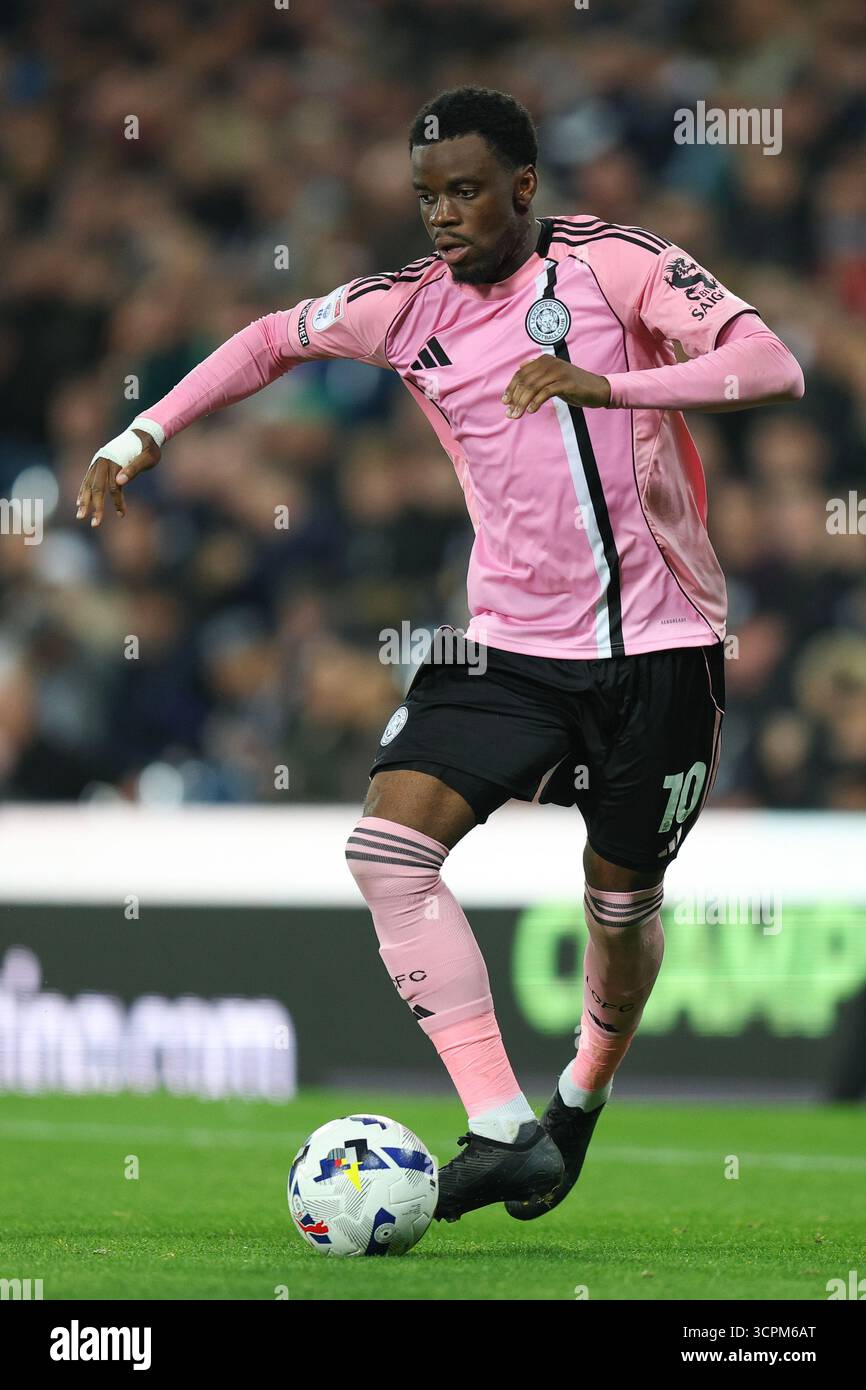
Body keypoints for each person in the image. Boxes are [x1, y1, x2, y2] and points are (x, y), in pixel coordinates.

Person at [77, 86, 805, 1224]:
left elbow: (770, 365)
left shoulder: (616, 266)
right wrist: (143, 431)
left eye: (465, 190)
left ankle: (574, 1099)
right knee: (386, 850)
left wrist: (607, 382)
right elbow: (271, 339)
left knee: (618, 915)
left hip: (658, 648)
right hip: (507, 650)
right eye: (425, 196)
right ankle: (500, 1125)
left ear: (522, 186)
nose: (442, 215)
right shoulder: (402, 309)